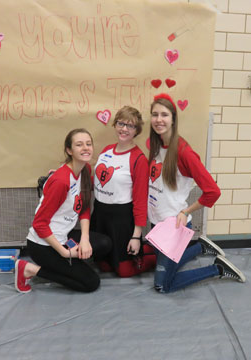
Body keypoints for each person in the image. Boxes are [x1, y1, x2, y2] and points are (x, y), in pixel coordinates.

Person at [147, 93, 246, 293]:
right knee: (166, 265)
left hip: (174, 224)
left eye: (164, 115)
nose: (159, 120)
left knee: (162, 285)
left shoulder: (184, 153)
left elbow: (212, 191)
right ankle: (200, 247)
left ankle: (218, 268)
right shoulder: (154, 145)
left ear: (173, 119)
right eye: (155, 114)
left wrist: (186, 211)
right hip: (156, 221)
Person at [14, 129, 112, 293]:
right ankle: (29, 269)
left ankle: (70, 264)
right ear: (69, 150)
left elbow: (85, 206)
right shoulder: (61, 181)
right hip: (44, 245)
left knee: (105, 243)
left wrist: (85, 239)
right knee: (91, 283)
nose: (85, 148)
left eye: (88, 144)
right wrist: (65, 253)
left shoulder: (85, 169)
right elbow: (39, 224)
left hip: (64, 235)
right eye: (79, 145)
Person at [91, 106, 156, 277]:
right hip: (100, 214)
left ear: (137, 131)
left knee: (125, 271)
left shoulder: (139, 159)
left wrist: (136, 236)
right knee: (103, 266)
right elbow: (97, 180)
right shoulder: (106, 150)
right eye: (121, 123)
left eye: (130, 126)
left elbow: (141, 200)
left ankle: (158, 255)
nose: (124, 129)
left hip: (122, 219)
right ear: (115, 125)